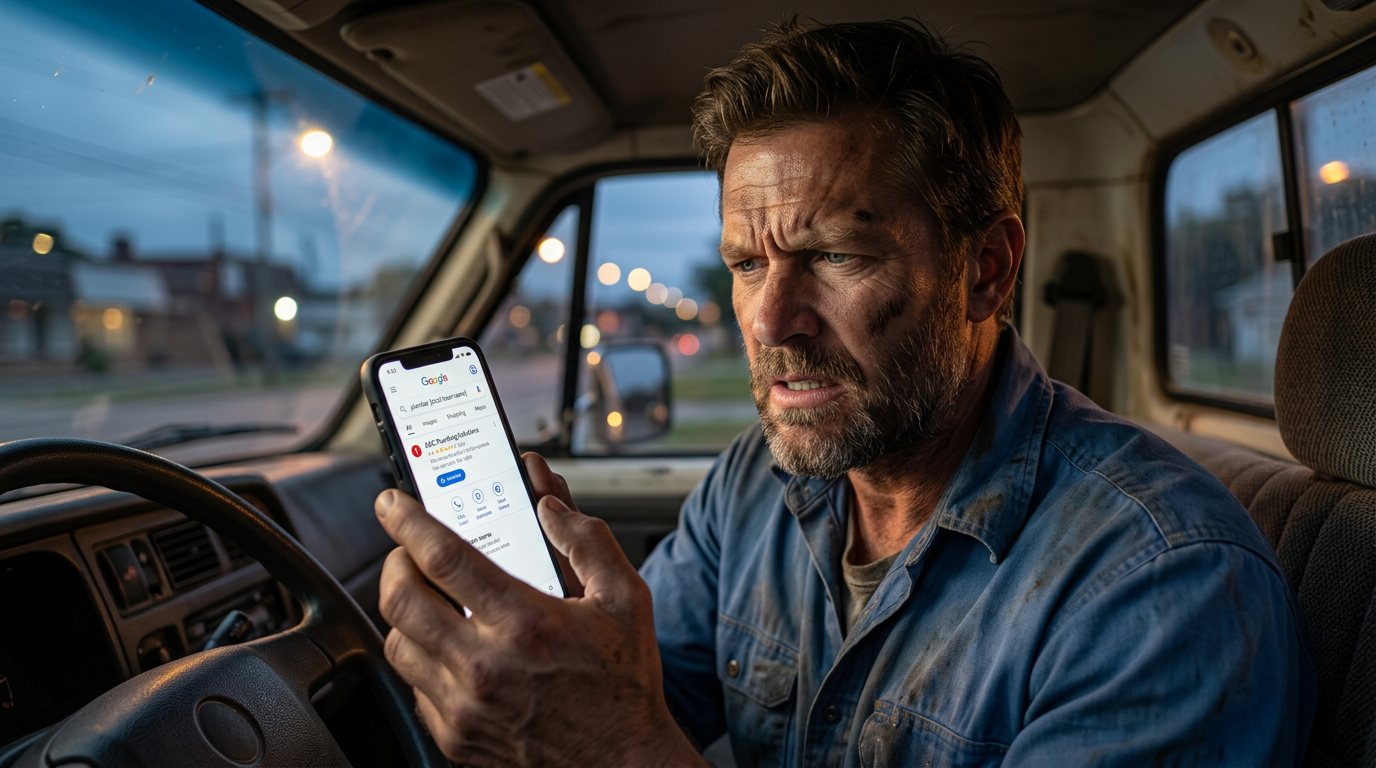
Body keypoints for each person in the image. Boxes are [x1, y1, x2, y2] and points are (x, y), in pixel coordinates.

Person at [372, 18, 1317, 767]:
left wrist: (617, 752)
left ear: (985, 270)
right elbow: (628, 698)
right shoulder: (751, 486)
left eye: (834, 254)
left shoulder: (1164, 584)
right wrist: (535, 663)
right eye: (745, 264)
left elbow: (618, 732)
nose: (769, 320)